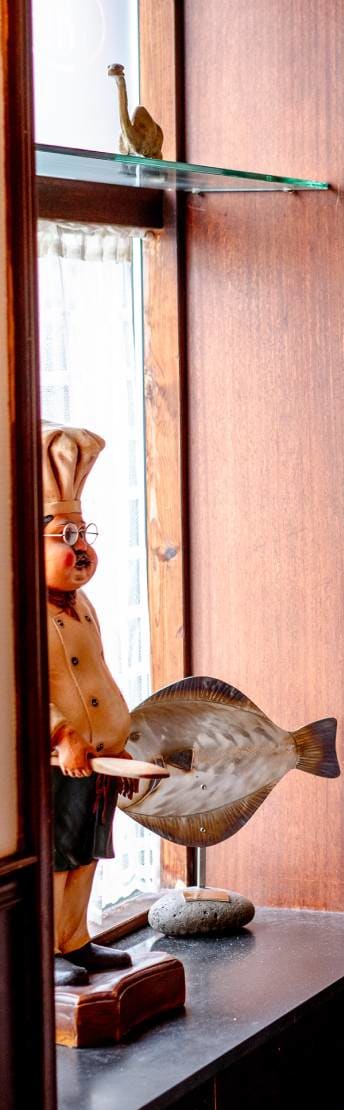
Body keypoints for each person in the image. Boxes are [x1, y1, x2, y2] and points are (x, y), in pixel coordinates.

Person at [41, 423, 134, 988]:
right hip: (62, 762)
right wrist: (62, 734)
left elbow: (98, 675)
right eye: (65, 536)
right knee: (58, 855)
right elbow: (24, 693)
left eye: (82, 534)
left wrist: (119, 738)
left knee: (88, 853)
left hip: (101, 758)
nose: (80, 549)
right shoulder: (21, 613)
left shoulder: (83, 605)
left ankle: (74, 939)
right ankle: (45, 948)